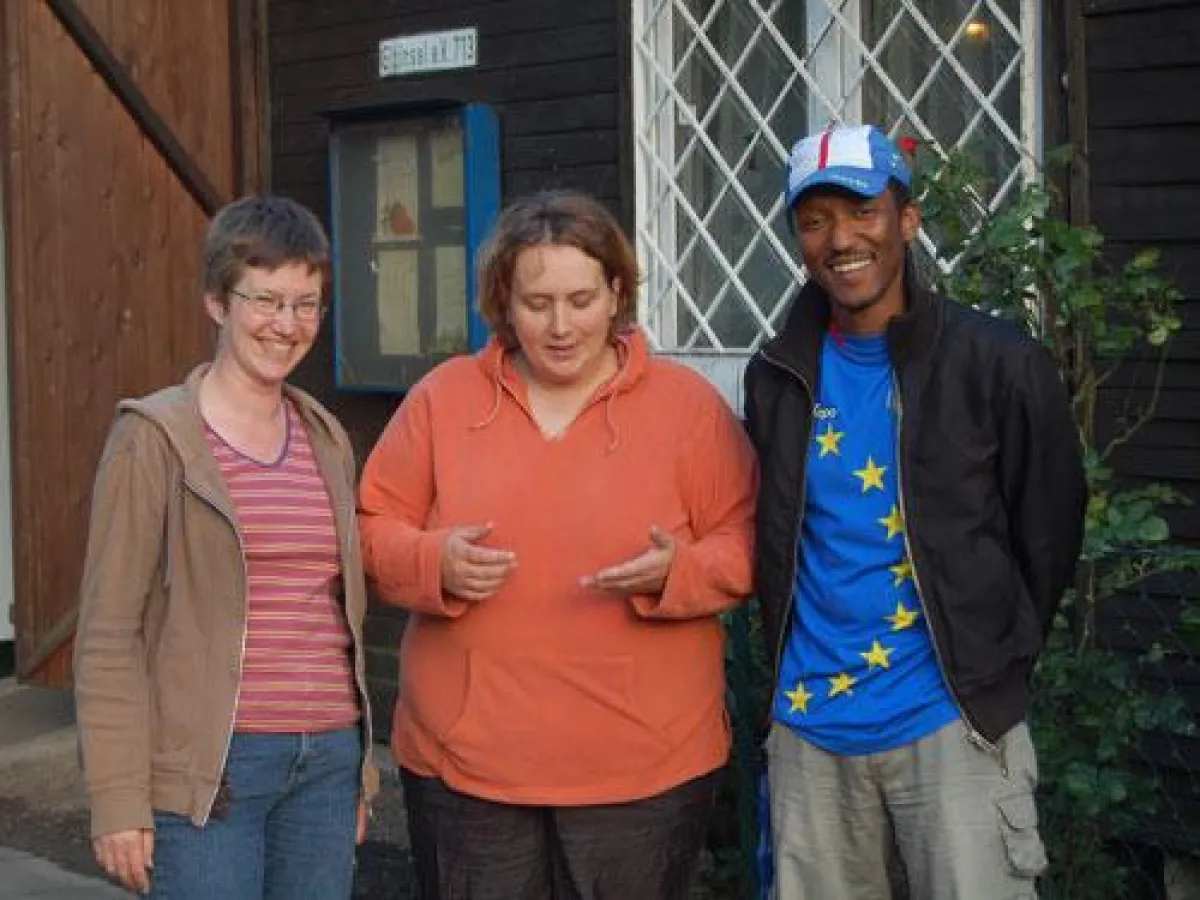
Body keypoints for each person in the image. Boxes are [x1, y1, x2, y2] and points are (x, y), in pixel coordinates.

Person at [357, 189, 757, 900]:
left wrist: (681, 572)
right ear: (503, 303)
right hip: (467, 766)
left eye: (581, 299)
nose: (562, 325)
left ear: (617, 293)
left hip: (644, 768)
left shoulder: (686, 407)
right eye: (538, 302)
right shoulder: (443, 399)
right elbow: (371, 527)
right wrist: (432, 562)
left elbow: (751, 541)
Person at [743, 125, 1087, 899]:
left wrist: (993, 662)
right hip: (810, 732)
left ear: (907, 220)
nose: (840, 240)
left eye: (862, 211)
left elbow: (1049, 530)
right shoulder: (776, 375)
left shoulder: (997, 364)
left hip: (953, 725)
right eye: (814, 220)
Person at [74, 195, 377, 899]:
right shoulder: (154, 439)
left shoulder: (325, 436)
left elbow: (337, 616)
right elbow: (109, 634)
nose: (287, 324)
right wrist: (118, 797)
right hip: (213, 769)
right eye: (265, 300)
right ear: (217, 301)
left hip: (325, 762)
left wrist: (355, 767)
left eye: (307, 304)